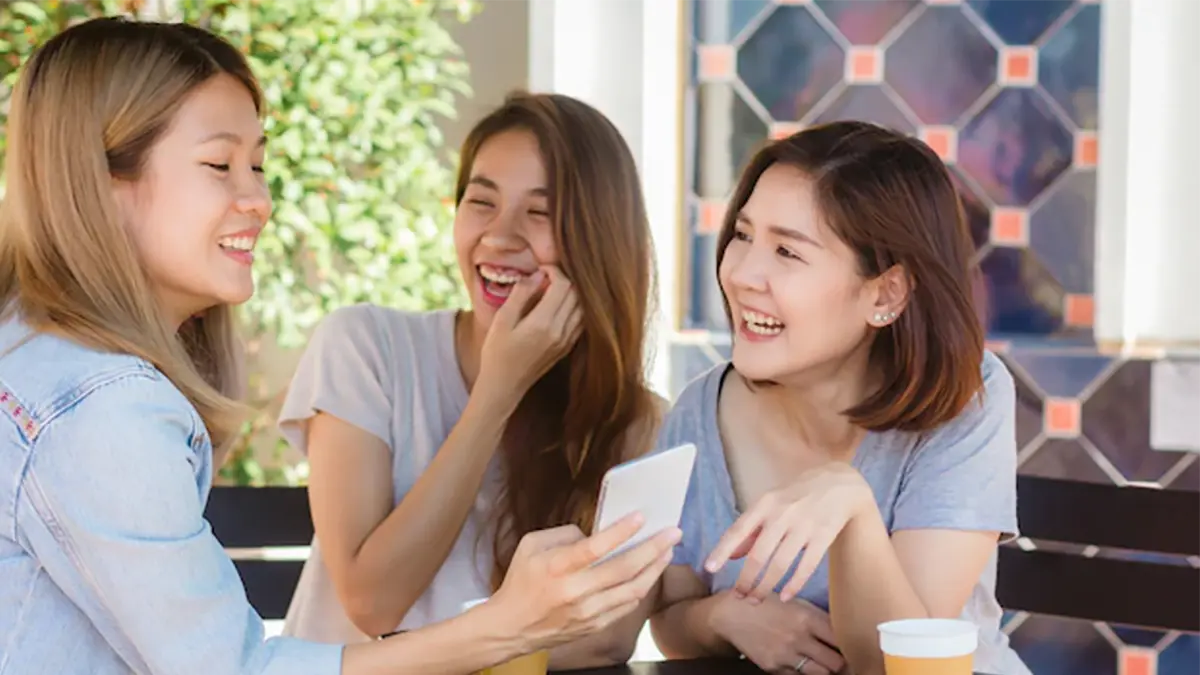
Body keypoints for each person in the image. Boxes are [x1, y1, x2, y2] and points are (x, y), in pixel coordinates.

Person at [0, 17, 679, 675]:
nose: (260, 200)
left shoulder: (50, 363)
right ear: (99, 185)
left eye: (258, 164)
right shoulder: (100, 409)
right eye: (220, 165)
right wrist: (507, 623)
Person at [276, 90, 667, 670]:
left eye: (539, 213)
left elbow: (607, 636)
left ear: (600, 238)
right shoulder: (365, 346)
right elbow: (373, 603)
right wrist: (497, 393)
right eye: (480, 202)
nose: (499, 237)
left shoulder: (635, 424)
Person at [649, 121, 1031, 675]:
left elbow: (900, 665)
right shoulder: (697, 412)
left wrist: (852, 507)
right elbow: (670, 618)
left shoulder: (967, 397)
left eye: (786, 251)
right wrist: (721, 616)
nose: (742, 274)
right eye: (742, 235)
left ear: (886, 293)